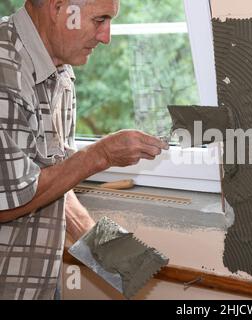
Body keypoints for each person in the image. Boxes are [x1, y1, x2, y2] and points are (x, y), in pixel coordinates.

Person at [0, 0, 168, 299]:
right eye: (100, 20)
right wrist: (100, 156)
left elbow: (49, 182)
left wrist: (119, 259)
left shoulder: (59, 70)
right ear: (59, 7)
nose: (106, 37)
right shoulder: (5, 70)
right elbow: (7, 202)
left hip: (38, 281)